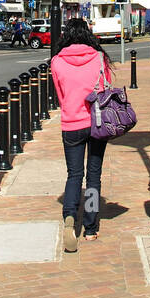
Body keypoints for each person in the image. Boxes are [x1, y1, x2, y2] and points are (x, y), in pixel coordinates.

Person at [49, 18, 114, 253]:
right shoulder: (99, 58)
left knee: (74, 174)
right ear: (87, 34)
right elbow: (105, 88)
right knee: (93, 176)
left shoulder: (57, 61)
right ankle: (90, 227)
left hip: (71, 123)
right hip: (97, 123)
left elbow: (60, 95)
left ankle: (69, 216)